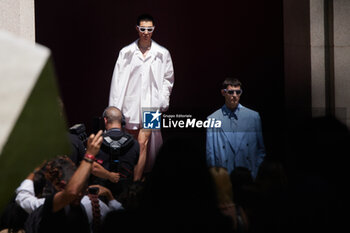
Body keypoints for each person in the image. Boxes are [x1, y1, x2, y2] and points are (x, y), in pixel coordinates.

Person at [108, 14, 174, 181]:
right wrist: (114, 107)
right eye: (143, 29)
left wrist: (163, 100)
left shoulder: (162, 53)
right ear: (137, 29)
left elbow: (168, 78)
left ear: (154, 30)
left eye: (149, 29)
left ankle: (136, 184)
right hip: (131, 104)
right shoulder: (126, 52)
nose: (146, 32)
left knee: (143, 142)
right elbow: (117, 80)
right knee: (132, 143)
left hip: (152, 105)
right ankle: (129, 179)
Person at [206, 78, 265, 179]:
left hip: (248, 174)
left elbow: (261, 150)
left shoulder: (253, 117)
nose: (234, 95)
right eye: (231, 92)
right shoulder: (213, 119)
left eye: (238, 92)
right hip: (224, 175)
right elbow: (210, 154)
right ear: (223, 93)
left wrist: (255, 171)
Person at [93, 106, 140, 197]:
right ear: (122, 121)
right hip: (125, 197)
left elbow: (91, 167)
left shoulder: (95, 143)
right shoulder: (135, 144)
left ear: (105, 120)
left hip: (100, 198)